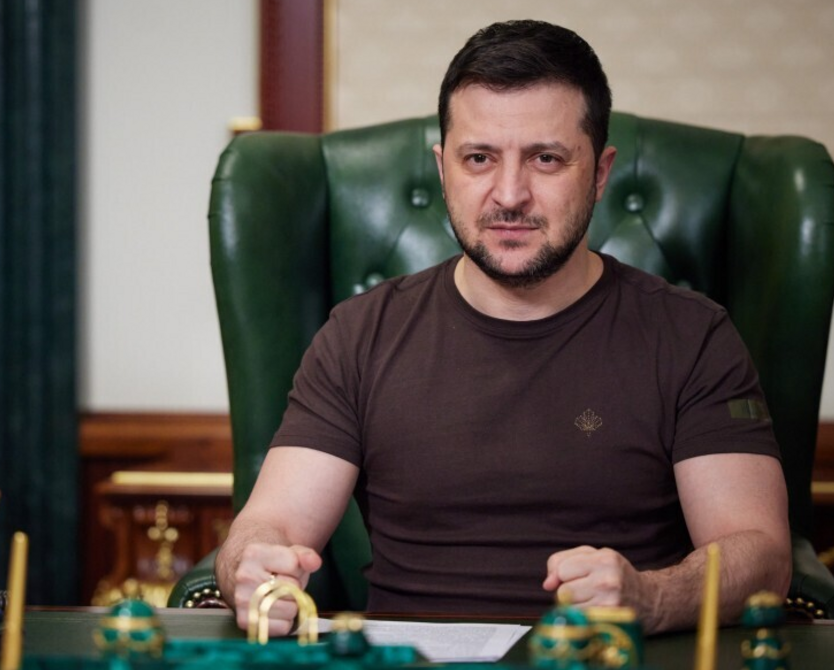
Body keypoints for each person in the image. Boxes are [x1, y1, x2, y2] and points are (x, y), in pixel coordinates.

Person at [215, 19, 791, 636]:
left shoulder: (692, 336)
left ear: (600, 173)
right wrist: (251, 567)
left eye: (546, 159)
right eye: (479, 158)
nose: (510, 194)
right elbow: (269, 526)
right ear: (443, 169)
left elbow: (761, 555)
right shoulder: (359, 335)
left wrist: (650, 597)